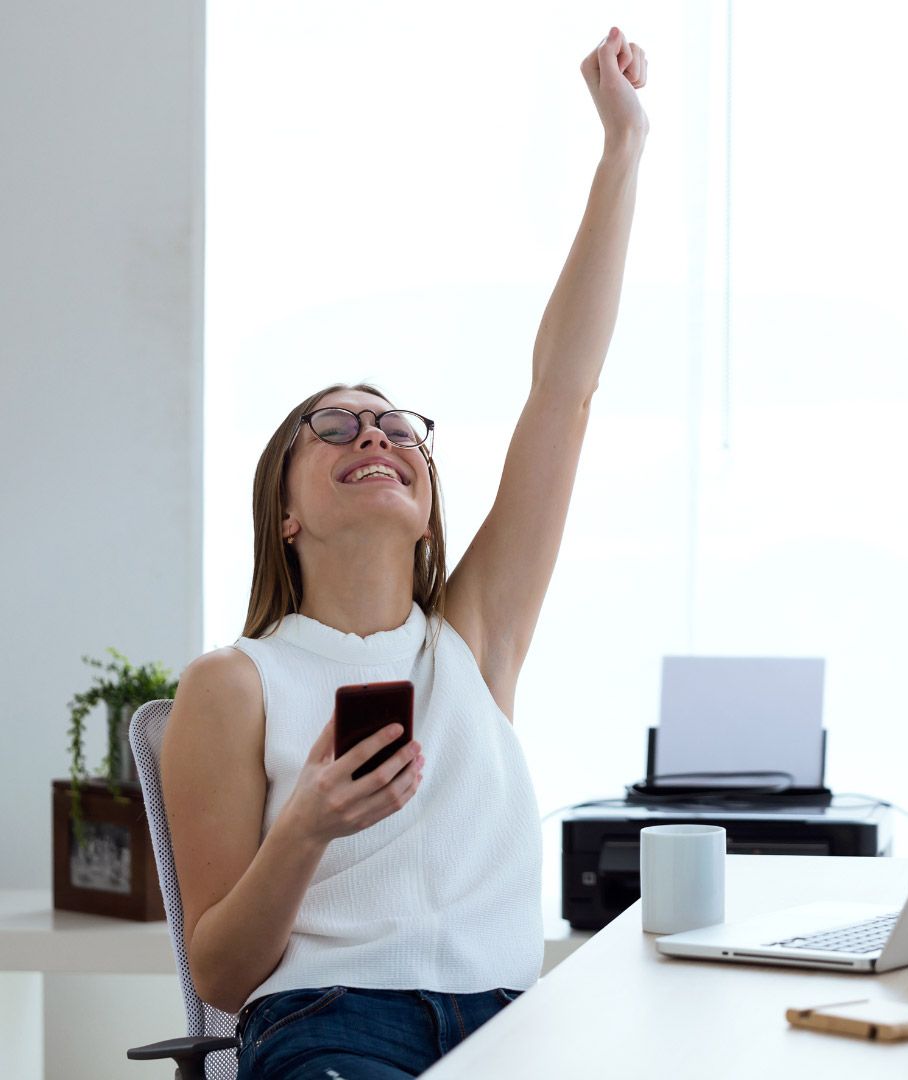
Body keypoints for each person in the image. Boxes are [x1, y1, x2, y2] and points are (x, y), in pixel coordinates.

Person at [163, 26, 649, 1080]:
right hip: (333, 1026)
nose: (373, 435)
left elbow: (563, 390)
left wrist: (622, 149)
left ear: (426, 506)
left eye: (394, 425)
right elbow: (223, 976)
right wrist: (305, 829)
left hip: (515, 1027)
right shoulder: (235, 685)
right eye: (332, 428)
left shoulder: (475, 640)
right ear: (283, 511)